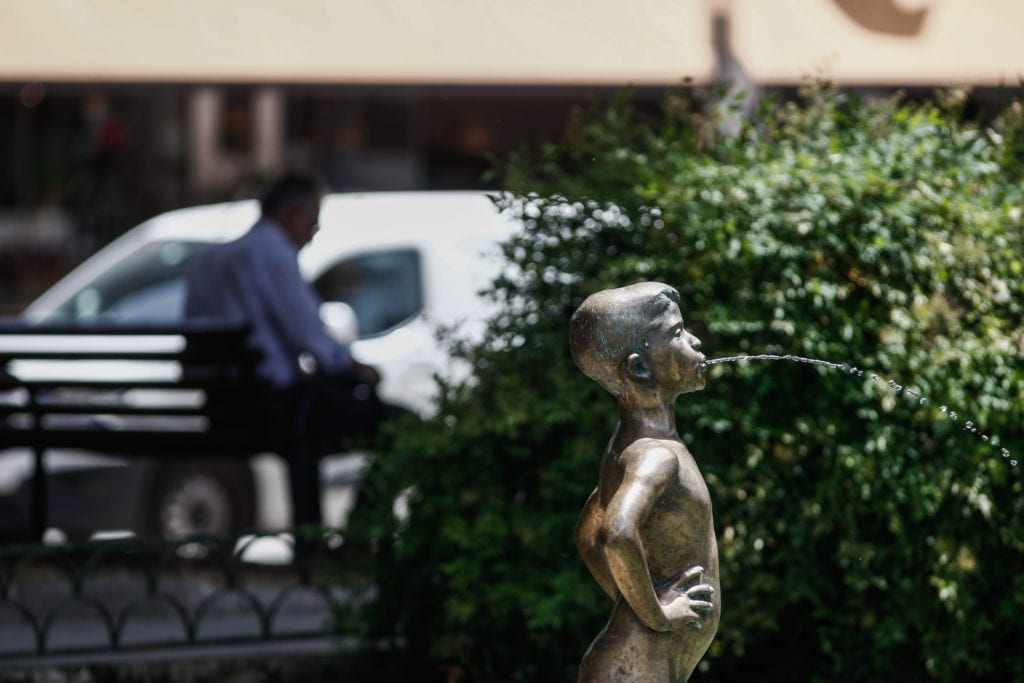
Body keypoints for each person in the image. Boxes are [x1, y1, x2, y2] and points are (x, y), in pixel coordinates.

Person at [184, 171, 383, 535]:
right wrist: (357, 368)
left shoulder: (208, 261)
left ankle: (319, 539)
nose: (315, 231)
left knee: (309, 422)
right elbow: (310, 336)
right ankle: (356, 535)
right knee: (397, 425)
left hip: (221, 407)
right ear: (292, 214)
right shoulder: (271, 252)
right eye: (313, 220)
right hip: (271, 408)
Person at [569, 282, 720, 682]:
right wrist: (656, 613)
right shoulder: (655, 455)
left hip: (643, 656)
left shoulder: (628, 446)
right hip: (638, 665)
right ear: (640, 367)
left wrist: (630, 601)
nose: (695, 339)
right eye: (676, 333)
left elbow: (586, 536)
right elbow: (616, 532)